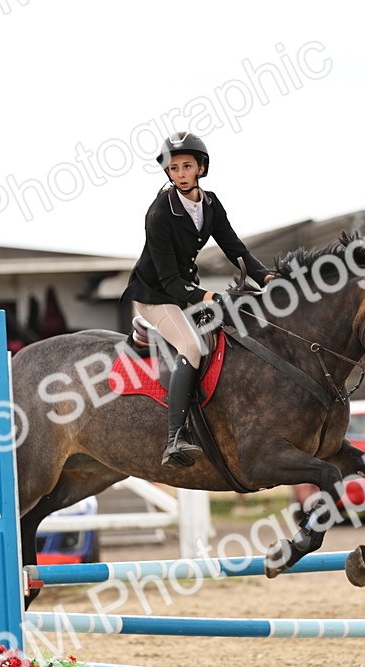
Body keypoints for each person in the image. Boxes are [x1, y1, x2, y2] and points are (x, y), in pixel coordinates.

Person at [120, 131, 275, 467]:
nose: (180, 173)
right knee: (191, 346)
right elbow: (169, 281)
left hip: (185, 291)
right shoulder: (159, 213)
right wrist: (210, 296)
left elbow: (235, 248)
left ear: (201, 168)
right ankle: (175, 436)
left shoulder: (210, 203)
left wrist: (264, 276)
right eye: (173, 168)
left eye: (186, 166)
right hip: (156, 296)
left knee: (232, 331)